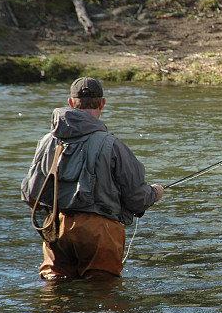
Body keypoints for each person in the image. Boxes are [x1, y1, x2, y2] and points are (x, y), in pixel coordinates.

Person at [21, 77, 164, 280]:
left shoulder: (46, 142)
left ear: (71, 103)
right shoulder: (112, 144)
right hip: (99, 231)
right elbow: (136, 198)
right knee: (101, 294)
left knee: (55, 294)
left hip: (55, 228)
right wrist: (155, 193)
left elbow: (29, 194)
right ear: (102, 103)